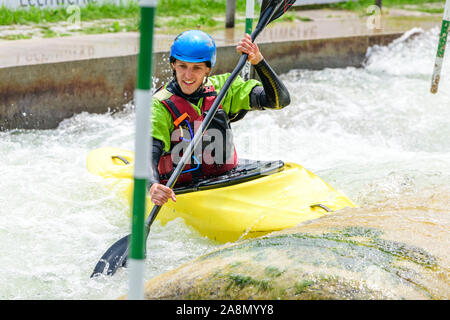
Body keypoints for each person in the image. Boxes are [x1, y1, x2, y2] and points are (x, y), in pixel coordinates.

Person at [148, 30, 291, 206]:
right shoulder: (159, 105)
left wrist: (258, 62)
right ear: (173, 65)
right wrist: (152, 186)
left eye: (197, 68)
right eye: (182, 66)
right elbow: (148, 153)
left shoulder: (224, 88)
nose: (188, 76)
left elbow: (279, 100)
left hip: (228, 179)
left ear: (208, 69)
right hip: (180, 190)